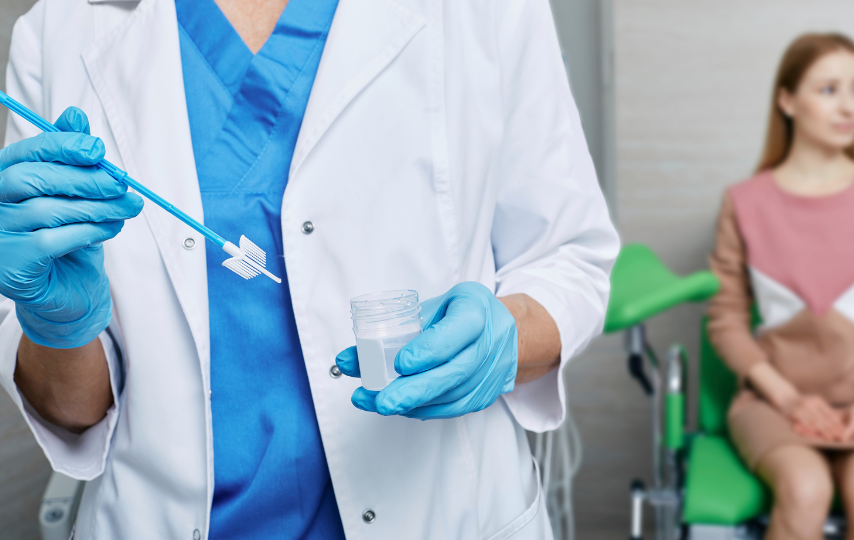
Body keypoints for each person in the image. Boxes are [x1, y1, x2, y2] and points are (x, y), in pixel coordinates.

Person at [0, 0, 619, 538]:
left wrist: (503, 338)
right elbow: (72, 408)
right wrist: (61, 327)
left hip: (441, 512)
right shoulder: (58, 32)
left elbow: (571, 257)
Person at [708, 33, 854, 540]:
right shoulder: (744, 202)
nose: (849, 105)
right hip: (774, 401)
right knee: (805, 492)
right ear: (787, 100)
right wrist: (789, 400)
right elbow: (725, 321)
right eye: (829, 89)